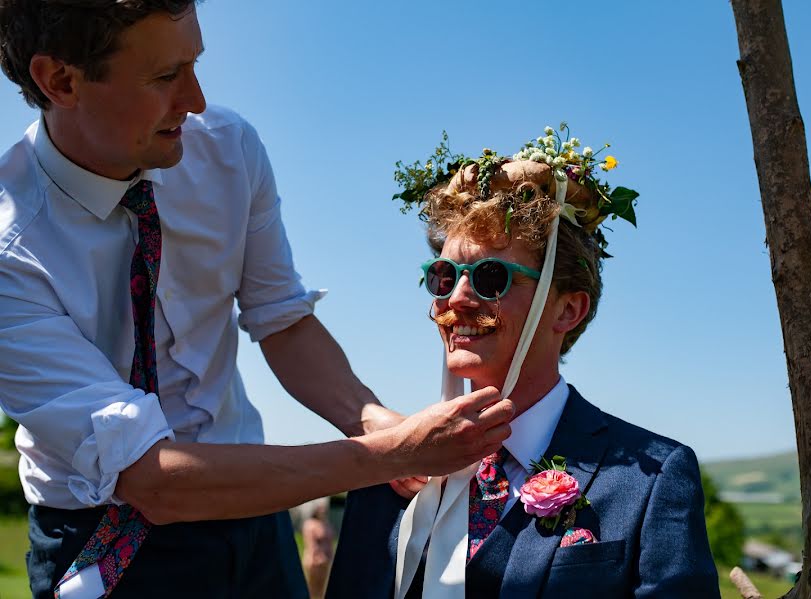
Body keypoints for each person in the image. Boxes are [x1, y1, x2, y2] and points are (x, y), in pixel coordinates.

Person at [0, 2, 514, 598]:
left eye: (194, 64)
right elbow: (152, 479)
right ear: (59, 80)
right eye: (165, 76)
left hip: (257, 510)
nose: (195, 99)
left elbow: (283, 321)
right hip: (108, 544)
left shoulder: (227, 150)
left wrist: (373, 420)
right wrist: (385, 453)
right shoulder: (11, 256)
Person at [327, 131, 720, 597]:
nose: (456, 298)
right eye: (444, 275)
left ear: (568, 309)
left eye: (491, 277)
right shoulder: (390, 465)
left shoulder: (651, 480)